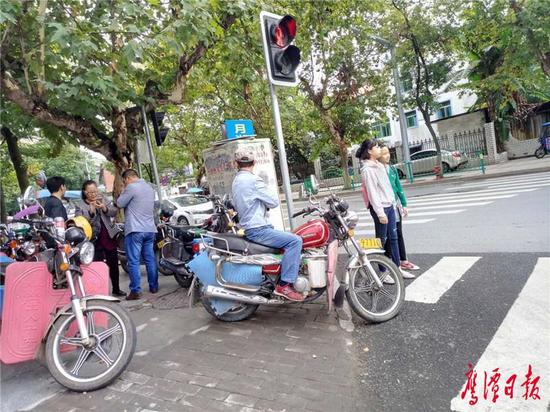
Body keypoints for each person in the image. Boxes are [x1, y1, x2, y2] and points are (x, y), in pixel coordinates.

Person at [232, 151, 304, 301]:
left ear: (236, 164)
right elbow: (273, 201)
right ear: (254, 163)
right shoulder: (253, 181)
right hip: (259, 229)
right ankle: (284, 285)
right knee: (295, 240)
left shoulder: (237, 181)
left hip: (250, 227)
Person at [356, 140, 414, 281]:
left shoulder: (379, 166)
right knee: (381, 240)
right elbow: (373, 193)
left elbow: (388, 187)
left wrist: (394, 204)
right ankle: (382, 271)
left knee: (393, 239)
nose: (379, 150)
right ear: (369, 151)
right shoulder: (368, 170)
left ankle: (397, 269)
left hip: (390, 206)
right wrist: (380, 213)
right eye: (376, 147)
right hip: (380, 208)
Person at [76, 180, 126, 297]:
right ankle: (100, 291)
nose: (93, 194)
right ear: (85, 192)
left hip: (108, 236)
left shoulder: (103, 199)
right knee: (96, 266)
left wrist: (104, 208)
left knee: (113, 264)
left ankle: (116, 288)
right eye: (90, 192)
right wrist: (91, 212)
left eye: (95, 191)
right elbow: (79, 221)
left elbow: (114, 212)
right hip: (93, 239)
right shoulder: (80, 205)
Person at [116, 169, 158, 300]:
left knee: (133, 261)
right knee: (150, 259)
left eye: (124, 182)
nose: (125, 184)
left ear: (128, 178)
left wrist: (123, 191)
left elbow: (119, 203)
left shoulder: (131, 188)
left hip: (135, 230)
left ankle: (135, 290)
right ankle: (154, 286)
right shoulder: (150, 188)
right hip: (150, 229)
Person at [378, 146, 420, 273]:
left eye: (388, 153)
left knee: (397, 233)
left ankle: (402, 260)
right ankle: (387, 263)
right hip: (384, 207)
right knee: (386, 237)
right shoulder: (377, 171)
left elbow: (398, 187)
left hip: (394, 205)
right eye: (384, 153)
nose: (387, 155)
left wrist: (403, 204)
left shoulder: (392, 169)